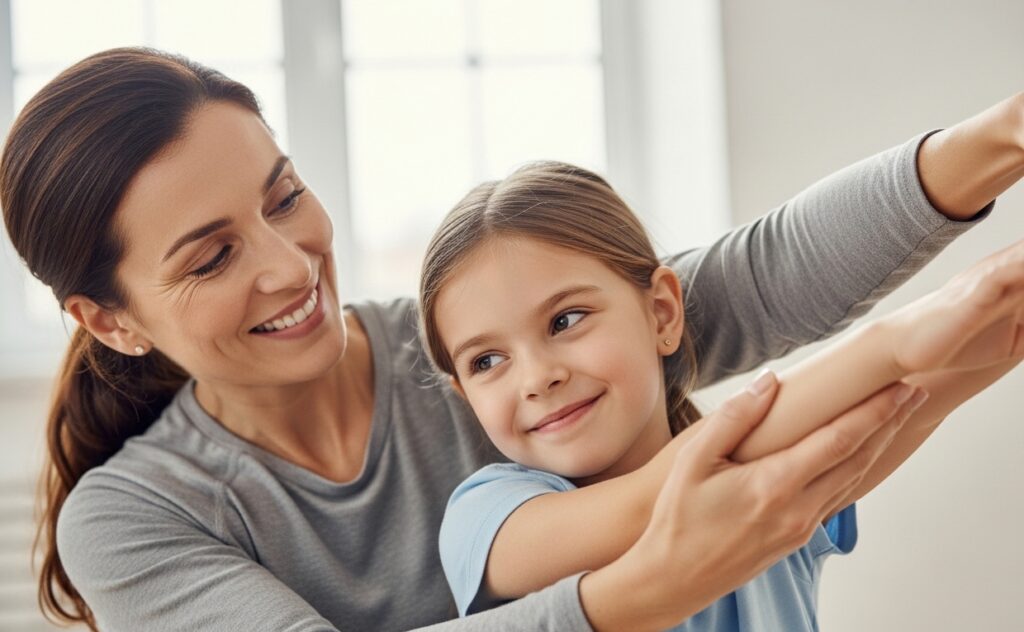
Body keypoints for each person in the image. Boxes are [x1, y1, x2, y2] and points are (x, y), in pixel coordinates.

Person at [1, 46, 1019, 631]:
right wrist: (639, 590)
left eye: (283, 197)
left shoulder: (465, 351)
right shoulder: (130, 518)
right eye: (211, 255)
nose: (287, 263)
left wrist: (1003, 138)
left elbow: (747, 279)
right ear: (110, 318)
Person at [421, 161, 1024, 630]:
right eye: (487, 361)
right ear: (463, 393)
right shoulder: (486, 518)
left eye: (566, 320)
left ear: (661, 312)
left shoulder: (778, 481)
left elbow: (938, 383)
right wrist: (894, 343)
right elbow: (653, 503)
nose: (536, 377)